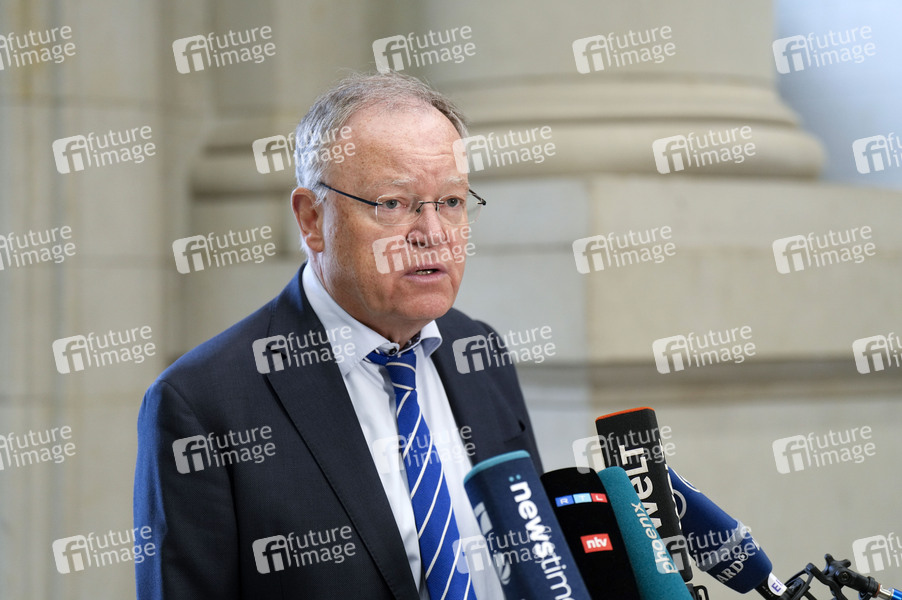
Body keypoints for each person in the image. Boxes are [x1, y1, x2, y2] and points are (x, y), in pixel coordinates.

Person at [134, 71, 541, 599]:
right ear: (311, 219)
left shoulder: (479, 351)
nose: (434, 234)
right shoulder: (202, 404)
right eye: (393, 204)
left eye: (451, 202)